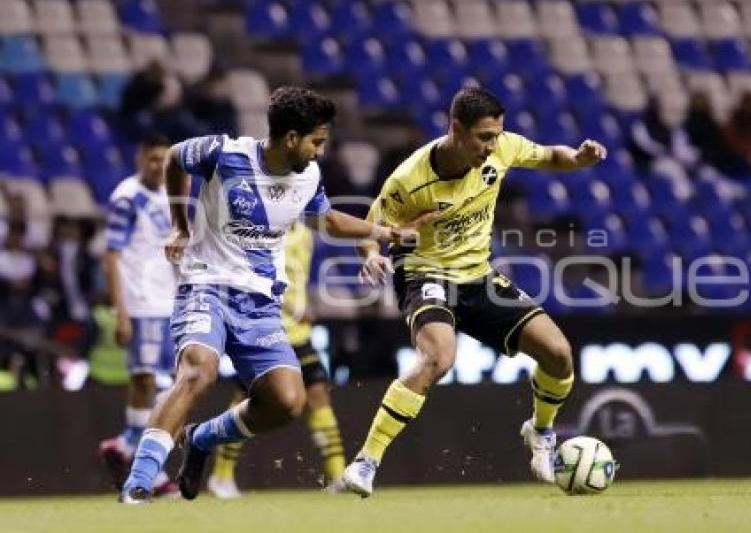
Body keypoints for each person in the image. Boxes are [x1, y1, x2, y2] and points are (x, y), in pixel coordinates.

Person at [119, 86, 422, 503]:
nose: (320, 151)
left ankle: (202, 438)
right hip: (207, 286)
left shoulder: (309, 177)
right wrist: (181, 225)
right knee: (198, 371)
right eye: (316, 141)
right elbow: (174, 158)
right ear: (291, 138)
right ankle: (139, 482)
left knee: (287, 401)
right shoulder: (224, 153)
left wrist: (385, 233)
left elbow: (326, 220)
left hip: (261, 303)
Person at [340, 86, 606, 497]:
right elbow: (371, 226)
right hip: (425, 273)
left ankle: (540, 432)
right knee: (439, 357)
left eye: (496, 136)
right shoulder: (409, 180)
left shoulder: (503, 149)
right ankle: (366, 462)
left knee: (558, 353)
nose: (492, 146)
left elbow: (552, 155)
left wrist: (579, 158)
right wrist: (372, 254)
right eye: (483, 137)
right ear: (456, 129)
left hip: (478, 276)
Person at [206, 221, 348, 497]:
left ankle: (338, 476)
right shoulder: (261, 234)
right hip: (264, 329)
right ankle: (221, 476)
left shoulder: (306, 234)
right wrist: (292, 307)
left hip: (298, 333)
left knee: (318, 393)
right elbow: (249, 277)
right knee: (245, 402)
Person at [97, 135, 179, 497]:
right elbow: (112, 255)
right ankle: (148, 468)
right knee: (146, 379)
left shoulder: (169, 195)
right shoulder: (127, 197)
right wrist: (121, 312)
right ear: (139, 158)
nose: (158, 166)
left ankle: (127, 445)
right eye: (152, 159)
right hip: (142, 303)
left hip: (168, 301)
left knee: (162, 386)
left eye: (164, 160)